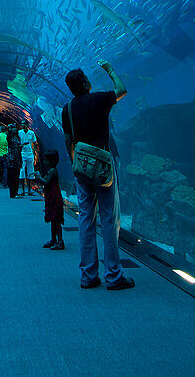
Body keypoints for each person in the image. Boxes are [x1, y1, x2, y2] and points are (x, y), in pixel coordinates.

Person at [62, 63, 134, 291]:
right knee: (109, 219)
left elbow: (67, 139)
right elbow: (121, 90)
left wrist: (73, 160)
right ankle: (113, 275)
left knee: (85, 218)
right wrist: (111, 71)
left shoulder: (68, 108)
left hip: (81, 167)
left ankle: (88, 275)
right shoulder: (100, 99)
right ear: (86, 84)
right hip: (102, 165)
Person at [31, 150, 64, 249]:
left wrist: (39, 177)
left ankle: (60, 241)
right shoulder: (51, 170)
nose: (44, 162)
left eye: (46, 160)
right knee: (54, 219)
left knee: (56, 219)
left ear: (51, 161)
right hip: (52, 195)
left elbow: (46, 182)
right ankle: (54, 239)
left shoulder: (52, 171)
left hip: (53, 196)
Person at [18, 122, 38, 197]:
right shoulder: (19, 132)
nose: (22, 125)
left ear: (27, 125)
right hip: (22, 153)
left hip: (30, 154)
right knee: (22, 171)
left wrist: (34, 151)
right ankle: (23, 190)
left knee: (30, 171)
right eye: (22, 124)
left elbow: (35, 142)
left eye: (24, 124)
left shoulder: (31, 133)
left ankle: (29, 190)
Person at [6, 123, 22, 198]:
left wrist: (20, 146)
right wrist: (9, 129)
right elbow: (8, 138)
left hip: (17, 159)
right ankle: (12, 193)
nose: (14, 129)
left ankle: (16, 192)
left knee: (16, 176)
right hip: (11, 159)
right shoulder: (9, 137)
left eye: (15, 128)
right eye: (13, 128)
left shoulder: (17, 137)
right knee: (12, 177)